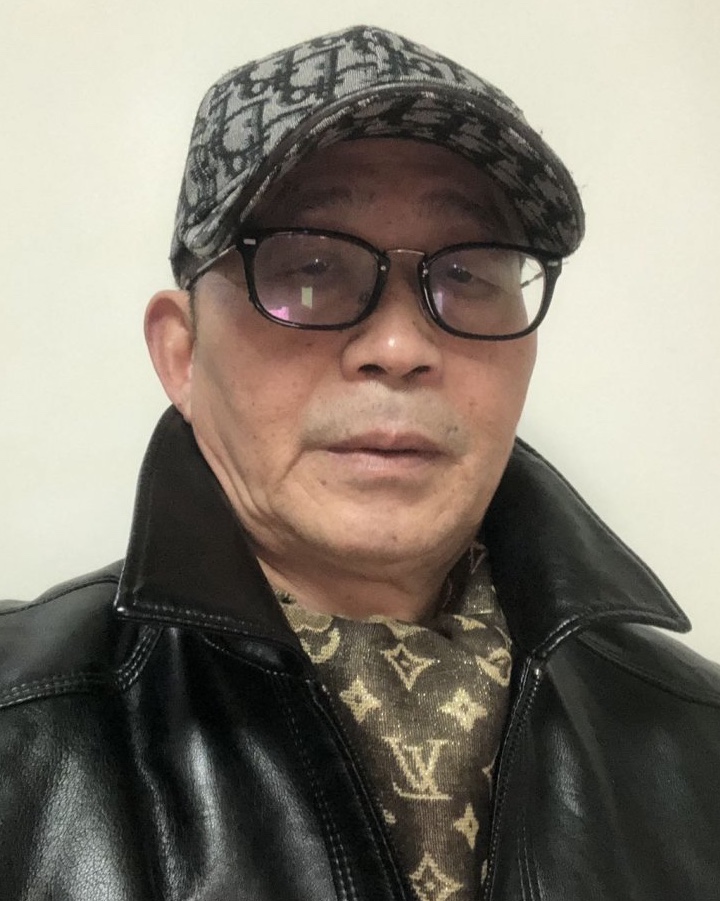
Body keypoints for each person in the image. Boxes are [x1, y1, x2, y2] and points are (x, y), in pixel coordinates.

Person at [1, 24, 719, 901]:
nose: (400, 346)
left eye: (466, 274)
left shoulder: (691, 741)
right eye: (309, 269)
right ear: (182, 353)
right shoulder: (24, 728)